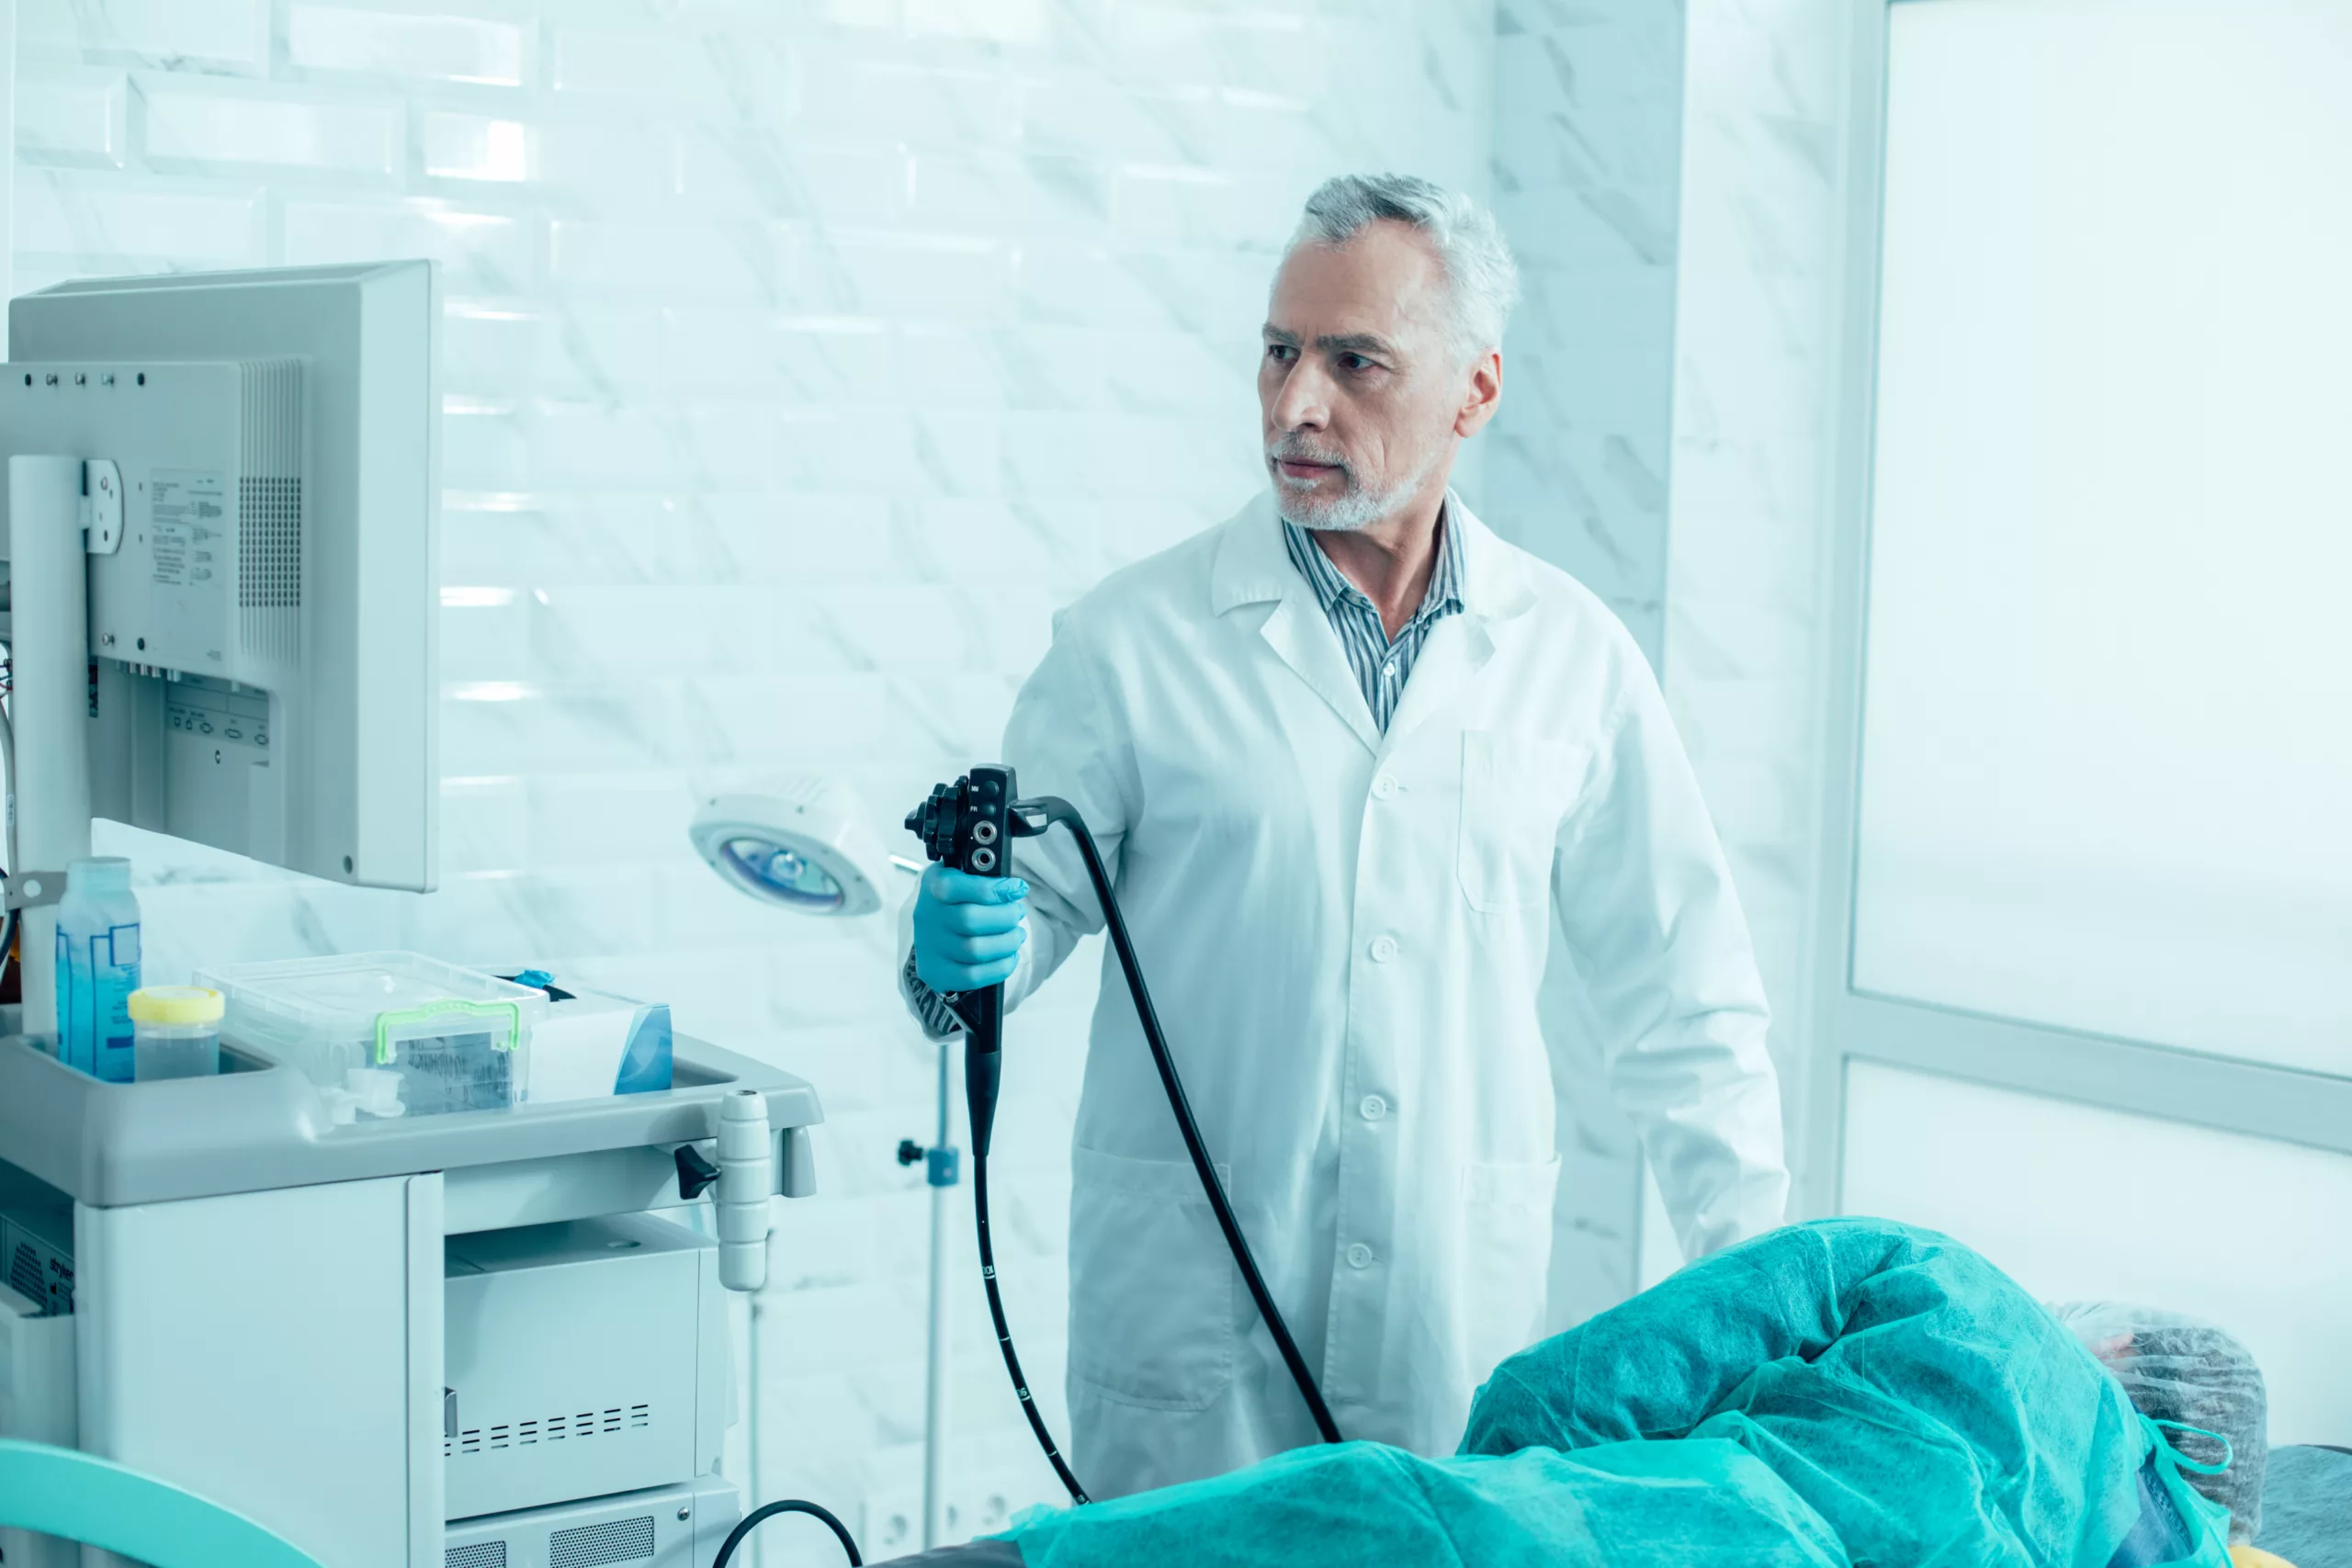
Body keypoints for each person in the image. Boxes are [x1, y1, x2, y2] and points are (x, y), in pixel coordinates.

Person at [898, 173, 1788, 1496]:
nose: (1293, 404)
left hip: (1451, 1328)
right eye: (1278, 352)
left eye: (1354, 361)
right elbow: (995, 950)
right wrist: (956, 954)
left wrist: (1764, 1299)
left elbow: (1688, 1008)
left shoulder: (1572, 664)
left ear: (1475, 390)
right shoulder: (1131, 644)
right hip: (1189, 1341)